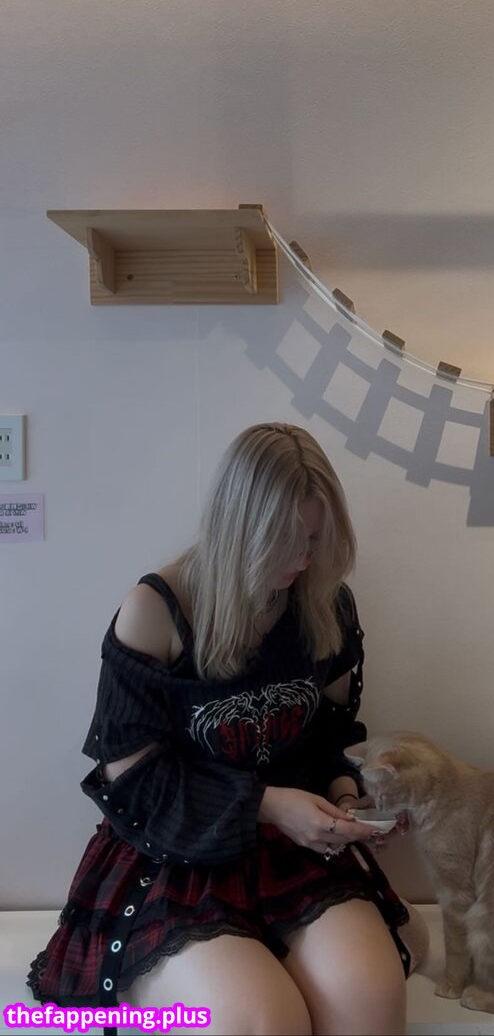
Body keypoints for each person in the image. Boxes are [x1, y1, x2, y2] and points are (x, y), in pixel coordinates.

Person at [28, 423, 410, 1036]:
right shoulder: (157, 610)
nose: (302, 560)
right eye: (284, 542)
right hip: (174, 853)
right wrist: (267, 803)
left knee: (371, 998)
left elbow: (327, 741)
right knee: (263, 1020)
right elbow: (133, 782)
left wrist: (345, 798)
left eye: (314, 539)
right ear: (239, 530)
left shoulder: (323, 603)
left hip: (293, 849)